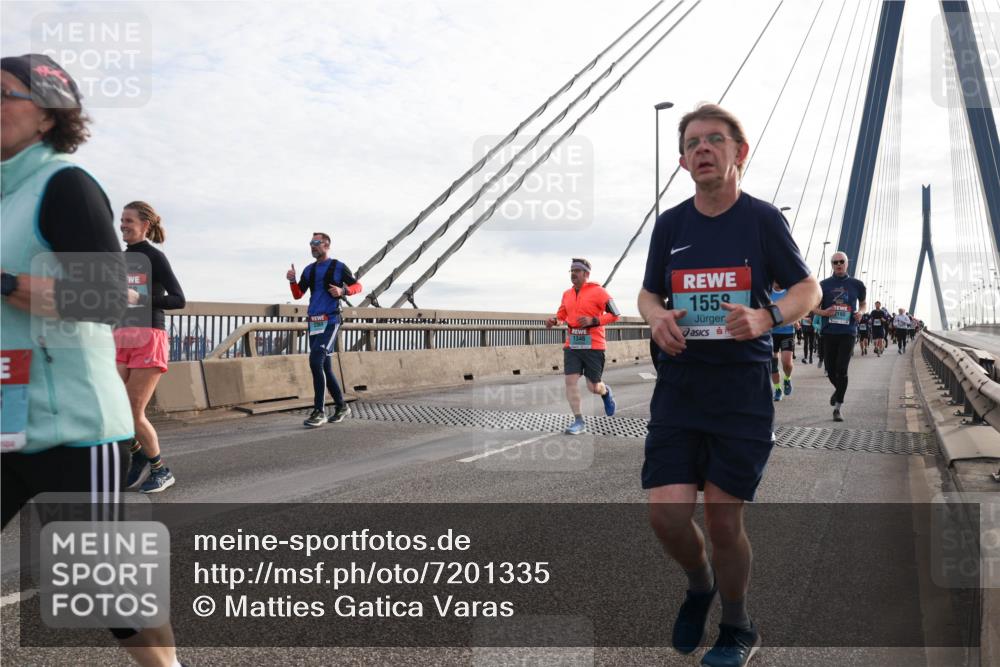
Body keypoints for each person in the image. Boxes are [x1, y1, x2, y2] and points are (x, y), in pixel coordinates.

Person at [0, 53, 185, 667]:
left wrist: (4, 283)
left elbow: (109, 296)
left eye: (5, 94)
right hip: (5, 418)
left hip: (72, 424)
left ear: (49, 114)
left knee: (110, 597)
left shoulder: (64, 184)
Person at [639, 104, 820, 667]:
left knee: (723, 519)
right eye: (693, 143)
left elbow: (807, 289)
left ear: (740, 153)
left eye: (715, 140)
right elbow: (649, 293)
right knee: (667, 516)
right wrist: (655, 318)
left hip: (740, 389)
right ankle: (700, 586)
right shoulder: (670, 225)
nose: (703, 149)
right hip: (681, 385)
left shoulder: (762, 220)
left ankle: (738, 626)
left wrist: (767, 317)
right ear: (682, 159)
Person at [117, 201, 186, 493]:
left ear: (145, 224)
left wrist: (140, 299)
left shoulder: (154, 258)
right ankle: (137, 453)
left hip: (148, 335)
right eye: (120, 220)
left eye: (128, 220)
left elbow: (178, 299)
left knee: (133, 411)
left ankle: (161, 469)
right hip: (120, 336)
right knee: (110, 408)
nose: (122, 225)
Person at [287, 232, 362, 427]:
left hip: (330, 320)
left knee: (315, 360)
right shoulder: (309, 270)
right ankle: (341, 406)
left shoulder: (338, 266)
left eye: (316, 243)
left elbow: (358, 286)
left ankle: (319, 411)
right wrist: (292, 281)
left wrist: (343, 291)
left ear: (326, 245)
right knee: (325, 367)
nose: (312, 246)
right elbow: (297, 295)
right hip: (314, 321)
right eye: (311, 243)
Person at [545, 258, 620, 435]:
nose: (573, 274)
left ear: (586, 274)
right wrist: (554, 320)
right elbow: (562, 314)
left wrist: (594, 320)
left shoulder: (600, 292)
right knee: (570, 381)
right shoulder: (567, 294)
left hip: (594, 345)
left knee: (593, 387)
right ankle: (579, 421)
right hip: (572, 344)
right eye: (571, 271)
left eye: (577, 271)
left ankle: (605, 391)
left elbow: (615, 314)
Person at [814, 252, 866, 422]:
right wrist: (824, 312)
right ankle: (839, 391)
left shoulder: (857, 284)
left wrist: (861, 313)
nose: (838, 264)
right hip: (829, 332)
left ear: (847, 263)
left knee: (842, 369)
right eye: (835, 262)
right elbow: (812, 307)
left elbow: (863, 303)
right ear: (832, 264)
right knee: (830, 369)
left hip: (848, 332)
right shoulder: (823, 285)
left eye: (841, 261)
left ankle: (838, 407)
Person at [768, 283, 795, 401]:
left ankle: (787, 379)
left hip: (787, 332)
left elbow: (798, 307)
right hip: (771, 333)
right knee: (773, 365)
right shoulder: (767, 292)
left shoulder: (789, 292)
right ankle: (778, 389)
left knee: (787, 363)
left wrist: (796, 319)